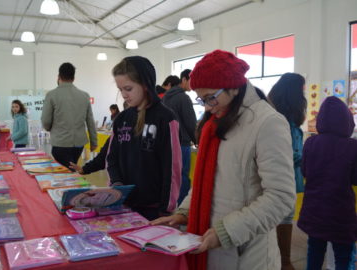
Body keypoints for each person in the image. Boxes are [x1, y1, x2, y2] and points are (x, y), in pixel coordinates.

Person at [152, 50, 296, 269]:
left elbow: (281, 197)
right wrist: (184, 213)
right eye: (202, 99)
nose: (208, 107)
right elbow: (204, 183)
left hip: (246, 254)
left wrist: (227, 231)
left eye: (211, 97)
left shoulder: (268, 123)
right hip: (211, 243)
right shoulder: (213, 124)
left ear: (233, 87)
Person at [107, 56, 182, 221]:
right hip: (124, 206)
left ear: (145, 84)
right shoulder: (121, 119)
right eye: (121, 90)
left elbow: (172, 168)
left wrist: (166, 209)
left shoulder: (165, 118)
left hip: (154, 210)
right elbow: (111, 159)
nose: (124, 95)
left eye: (128, 88)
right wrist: (116, 183)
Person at [298, 96, 357, 270]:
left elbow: (305, 171)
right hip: (341, 213)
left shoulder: (310, 143)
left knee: (314, 253)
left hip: (314, 211)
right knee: (343, 257)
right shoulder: (352, 146)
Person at [268, 72, 307, 270]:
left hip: (275, 179)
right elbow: (291, 155)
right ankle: (284, 261)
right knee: (284, 218)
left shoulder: (274, 116)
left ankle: (280, 259)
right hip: (285, 179)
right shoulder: (286, 124)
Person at [41, 62, 97, 169]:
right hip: (79, 144)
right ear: (74, 78)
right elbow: (90, 121)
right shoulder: (84, 95)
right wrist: (94, 141)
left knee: (65, 173)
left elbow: (46, 121)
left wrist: (49, 128)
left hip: (60, 142)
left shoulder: (51, 95)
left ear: (58, 76)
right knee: (71, 168)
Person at [162, 69, 197, 205]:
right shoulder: (183, 97)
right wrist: (197, 140)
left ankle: (171, 204)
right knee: (183, 176)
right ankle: (183, 208)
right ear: (184, 79)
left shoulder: (166, 97)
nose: (193, 85)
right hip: (182, 143)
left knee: (171, 176)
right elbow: (190, 123)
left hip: (168, 143)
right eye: (191, 81)